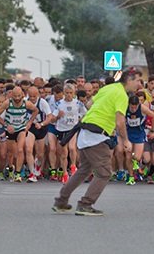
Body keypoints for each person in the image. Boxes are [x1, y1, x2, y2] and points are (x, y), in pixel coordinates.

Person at [52, 67, 142, 216]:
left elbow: (88, 105)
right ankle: (85, 205)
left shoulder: (108, 88)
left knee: (84, 170)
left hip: (86, 132)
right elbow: (120, 122)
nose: (139, 84)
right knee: (105, 172)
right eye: (138, 80)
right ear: (130, 79)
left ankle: (61, 201)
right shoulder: (121, 95)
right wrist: (126, 141)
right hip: (96, 136)